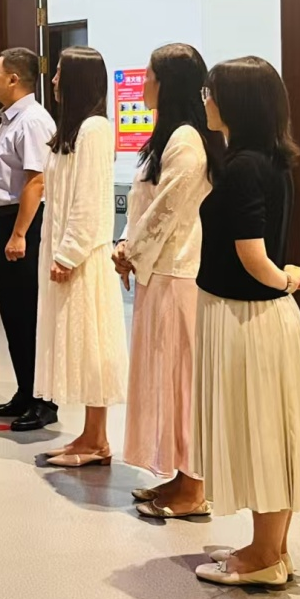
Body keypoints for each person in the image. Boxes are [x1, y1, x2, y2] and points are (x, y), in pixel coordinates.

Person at [191, 56, 300, 587]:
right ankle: (271, 548)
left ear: (237, 102)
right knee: (270, 429)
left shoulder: (244, 166)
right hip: (256, 315)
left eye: (212, 92)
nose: (206, 100)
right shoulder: (267, 159)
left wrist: (284, 279)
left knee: (261, 433)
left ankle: (265, 555)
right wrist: (282, 279)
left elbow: (252, 257)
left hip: (246, 316)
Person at [113, 45, 223, 518]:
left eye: (150, 76)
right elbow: (141, 205)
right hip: (158, 272)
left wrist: (129, 252)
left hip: (178, 274)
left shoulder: (187, 141)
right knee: (164, 377)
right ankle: (179, 475)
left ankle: (194, 487)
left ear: (168, 83)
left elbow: (166, 212)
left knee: (181, 381)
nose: (143, 84)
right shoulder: (167, 136)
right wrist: (125, 245)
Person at [35, 46, 128, 467]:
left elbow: (90, 202)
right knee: (81, 346)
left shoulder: (95, 129)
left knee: (92, 348)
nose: (54, 80)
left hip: (83, 259)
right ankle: (90, 436)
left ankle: (97, 441)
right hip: (62, 252)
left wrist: (68, 254)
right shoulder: (71, 130)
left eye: (59, 72)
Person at [0, 48, 58, 431]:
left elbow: (36, 181)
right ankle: (25, 391)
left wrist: (19, 233)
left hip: (20, 223)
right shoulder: (10, 119)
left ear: (13, 79)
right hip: (3, 221)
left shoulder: (32, 121)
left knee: (29, 314)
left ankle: (44, 401)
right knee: (13, 313)